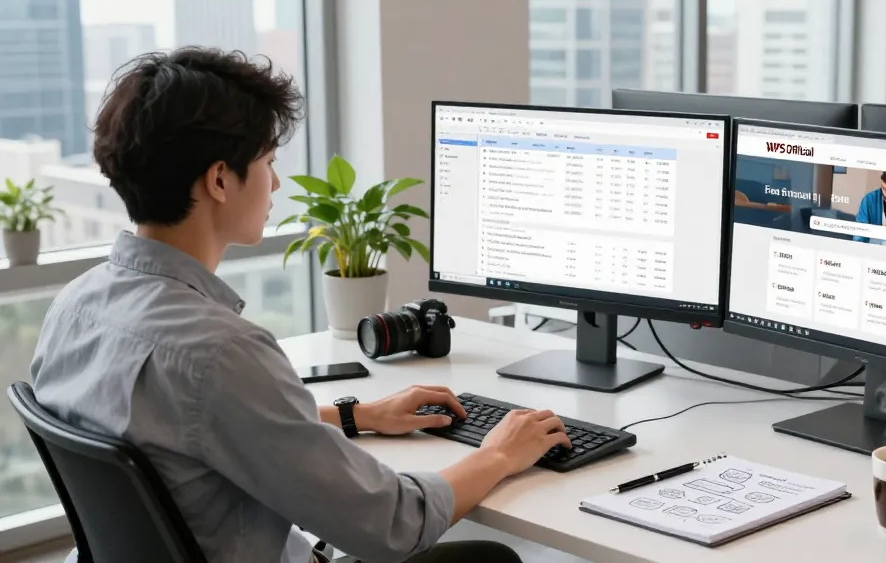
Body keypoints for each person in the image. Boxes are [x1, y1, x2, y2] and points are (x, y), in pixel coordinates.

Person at [28, 47, 570, 563]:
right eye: (267, 161)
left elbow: (179, 429)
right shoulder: (220, 352)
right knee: (488, 556)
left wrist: (357, 416)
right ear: (220, 179)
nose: (276, 181)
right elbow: (392, 525)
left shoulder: (75, 306)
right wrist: (500, 452)